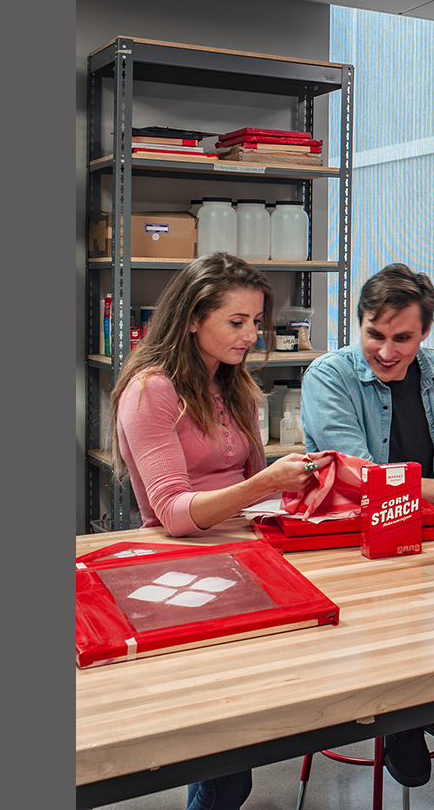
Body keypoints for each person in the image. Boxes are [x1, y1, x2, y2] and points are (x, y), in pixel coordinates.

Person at [111, 252, 333, 810]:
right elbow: (173, 513)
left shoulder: (232, 384)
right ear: (191, 318)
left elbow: (246, 484)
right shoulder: (152, 390)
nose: (251, 335)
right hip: (184, 569)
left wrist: (298, 488)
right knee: (227, 759)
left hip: (246, 551)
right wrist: (264, 484)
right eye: (237, 322)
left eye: (257, 322)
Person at [300, 263, 434, 787]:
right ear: (359, 324)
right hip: (355, 547)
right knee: (394, 619)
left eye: (403, 338)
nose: (386, 350)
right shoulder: (328, 376)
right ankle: (403, 722)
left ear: (425, 333)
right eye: (375, 334)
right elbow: (362, 479)